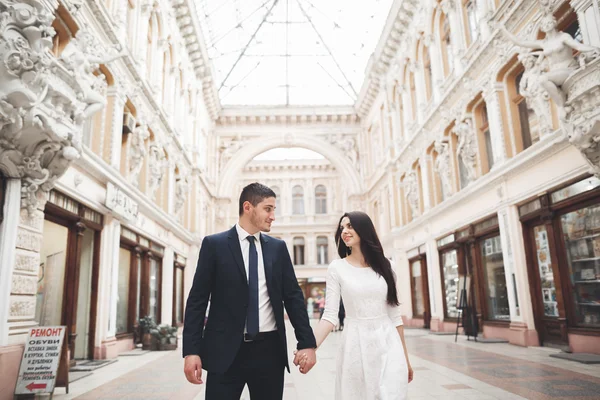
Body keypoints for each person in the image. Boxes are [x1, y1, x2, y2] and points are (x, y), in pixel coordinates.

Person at [183, 183, 317, 399]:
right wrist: (191, 351)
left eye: (274, 209)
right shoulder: (214, 245)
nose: (273, 216)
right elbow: (197, 300)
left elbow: (293, 298)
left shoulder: (278, 248)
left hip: (269, 352)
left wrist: (307, 344)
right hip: (224, 352)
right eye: (268, 208)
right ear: (248, 207)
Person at [297, 211, 413, 399]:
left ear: (364, 229)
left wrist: (405, 359)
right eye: (342, 228)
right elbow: (329, 316)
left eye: (350, 226)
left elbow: (395, 315)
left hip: (389, 344)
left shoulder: (387, 266)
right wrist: (310, 347)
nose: (344, 231)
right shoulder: (337, 268)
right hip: (355, 346)